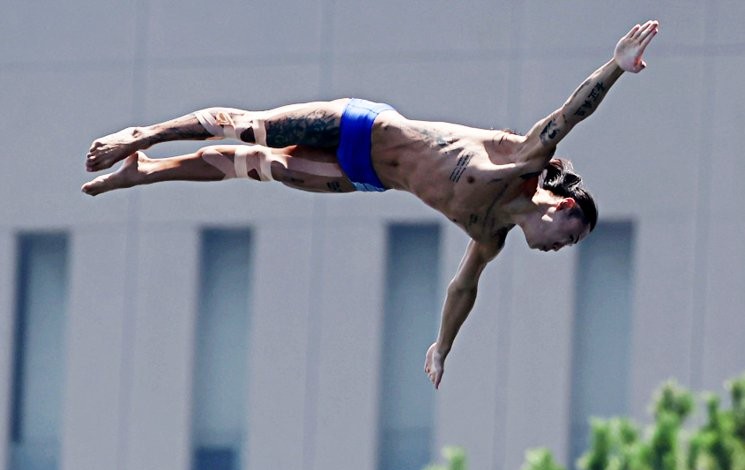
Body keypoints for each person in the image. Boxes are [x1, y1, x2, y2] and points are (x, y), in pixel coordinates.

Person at [82, 20, 658, 389]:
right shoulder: (522, 164)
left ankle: (144, 174)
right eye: (569, 236)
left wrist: (442, 346)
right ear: (558, 208)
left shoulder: (490, 235)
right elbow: (571, 114)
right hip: (366, 126)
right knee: (254, 128)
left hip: (362, 173)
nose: (559, 249)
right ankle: (143, 137)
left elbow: (463, 289)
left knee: (264, 167)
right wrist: (616, 66)